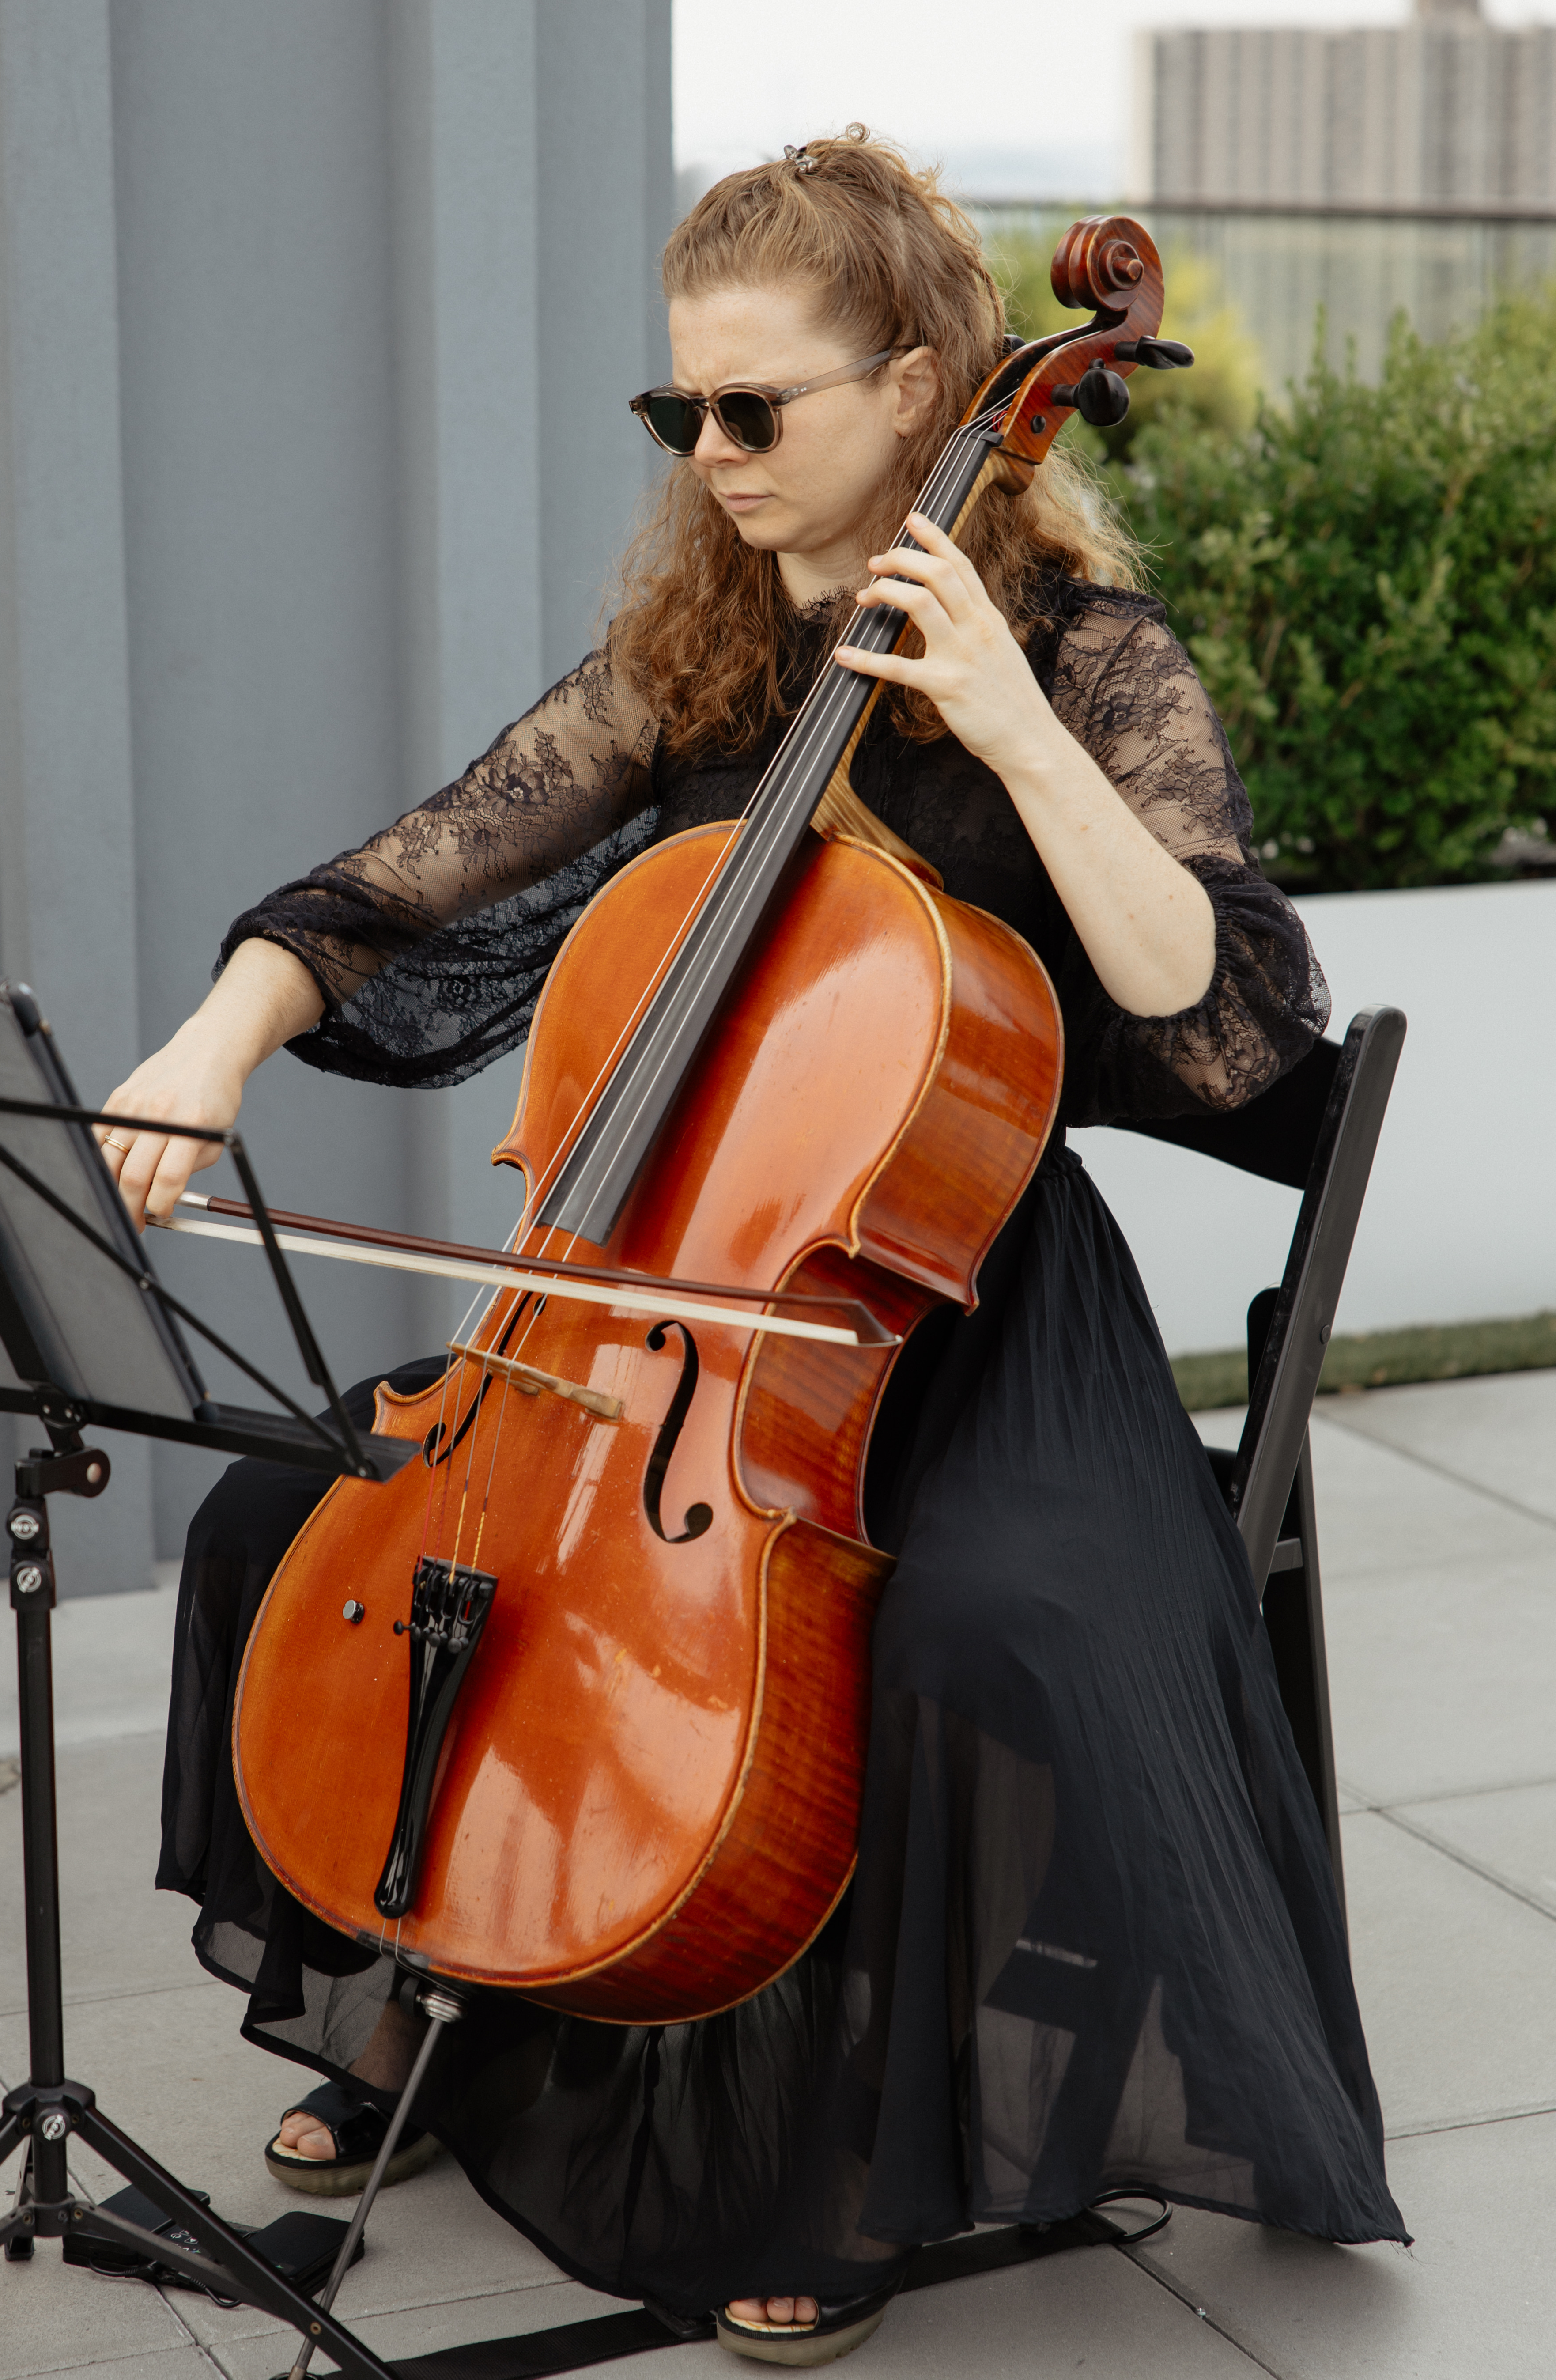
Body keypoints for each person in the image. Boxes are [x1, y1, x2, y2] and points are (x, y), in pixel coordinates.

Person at [101, 131, 1405, 2366]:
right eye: (674, 415)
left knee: (940, 1636)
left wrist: (999, 711)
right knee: (297, 1516)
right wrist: (217, 1033)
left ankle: (820, 2164)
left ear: (919, 387)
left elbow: (1227, 1008)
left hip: (962, 1294)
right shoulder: (702, 654)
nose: (708, 459)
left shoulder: (1085, 654)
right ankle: (450, 1982)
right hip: (663, 1301)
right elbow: (422, 866)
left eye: (752, 411)